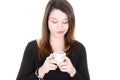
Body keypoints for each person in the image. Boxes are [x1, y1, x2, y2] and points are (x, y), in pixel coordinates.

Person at [16, 0, 90, 80]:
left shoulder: (79, 49)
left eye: (65, 22)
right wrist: (41, 71)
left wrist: (72, 71)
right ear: (46, 21)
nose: (60, 27)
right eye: (54, 22)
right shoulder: (32, 48)